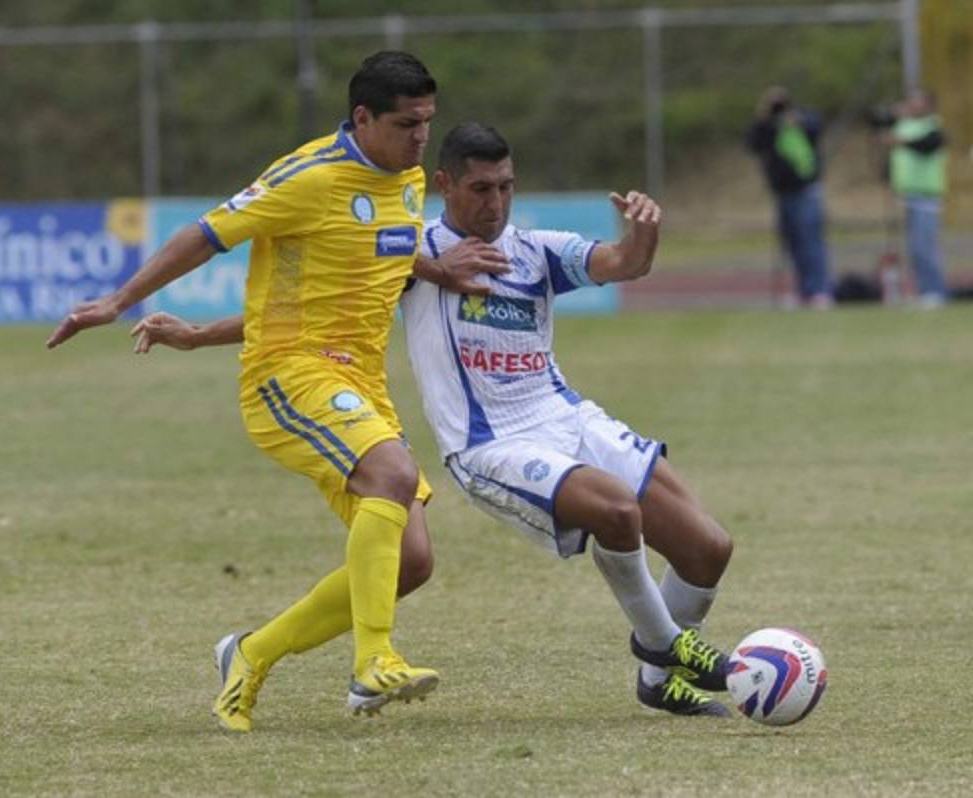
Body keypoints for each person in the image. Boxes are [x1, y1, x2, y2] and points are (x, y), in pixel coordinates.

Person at [131, 122, 738, 717]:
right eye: (480, 189)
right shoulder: (411, 252)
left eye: (505, 187)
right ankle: (663, 643)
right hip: (489, 442)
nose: (495, 203)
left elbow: (625, 263)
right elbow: (314, 315)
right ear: (445, 184)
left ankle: (659, 679)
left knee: (708, 547)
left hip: (567, 416)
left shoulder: (537, 250)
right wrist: (196, 334)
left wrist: (645, 235)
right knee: (617, 511)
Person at [46, 51, 508, 733]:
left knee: (409, 562)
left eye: (427, 123)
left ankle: (250, 653)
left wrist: (438, 271)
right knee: (392, 473)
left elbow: (379, 254)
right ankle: (373, 661)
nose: (420, 137)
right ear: (362, 118)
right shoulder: (308, 176)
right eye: (408, 123)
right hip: (288, 375)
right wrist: (119, 299)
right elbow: (205, 236)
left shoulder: (407, 178)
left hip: (358, 383)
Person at [746, 86, 833, 309]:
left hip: (806, 191)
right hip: (783, 193)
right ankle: (804, 290)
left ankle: (819, 291)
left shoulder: (803, 120)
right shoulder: (769, 127)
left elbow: (817, 125)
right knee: (793, 243)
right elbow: (752, 143)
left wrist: (797, 119)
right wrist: (763, 116)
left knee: (810, 242)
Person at [885, 89, 948, 307]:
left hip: (926, 198)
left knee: (925, 247)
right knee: (913, 249)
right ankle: (923, 291)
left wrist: (901, 141)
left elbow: (928, 145)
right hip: (906, 196)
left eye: (917, 102)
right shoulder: (904, 125)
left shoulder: (933, 126)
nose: (912, 105)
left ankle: (934, 291)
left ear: (929, 105)